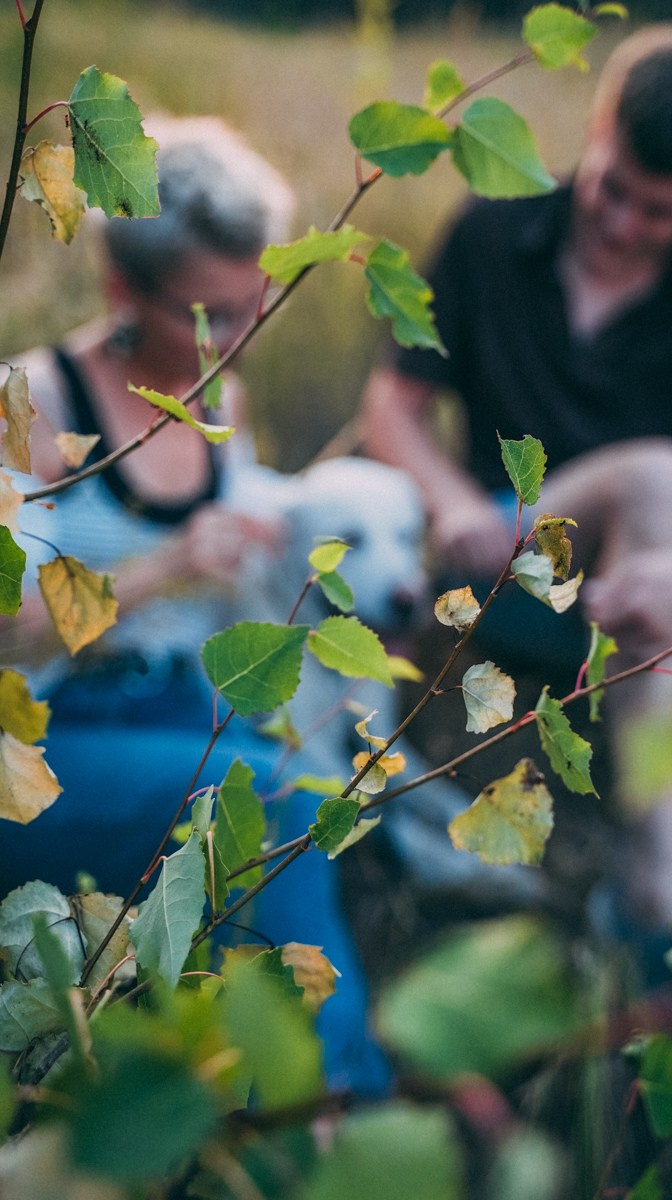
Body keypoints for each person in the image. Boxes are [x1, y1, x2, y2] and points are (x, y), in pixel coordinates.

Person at [361, 25, 672, 975]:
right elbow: (392, 409)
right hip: (517, 566)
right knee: (663, 475)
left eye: (662, 213)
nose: (626, 224)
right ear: (598, 130)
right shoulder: (489, 233)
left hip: (657, 589)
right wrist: (447, 500)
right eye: (615, 189)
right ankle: (660, 882)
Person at [0, 116, 391, 1096]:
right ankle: (326, 1105)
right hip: (43, 745)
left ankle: (267, 1086)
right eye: (213, 311)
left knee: (320, 790)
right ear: (123, 286)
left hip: (183, 704)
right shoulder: (34, 405)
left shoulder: (224, 397)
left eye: (261, 299)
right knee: (254, 804)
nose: (243, 331)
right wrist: (164, 565)